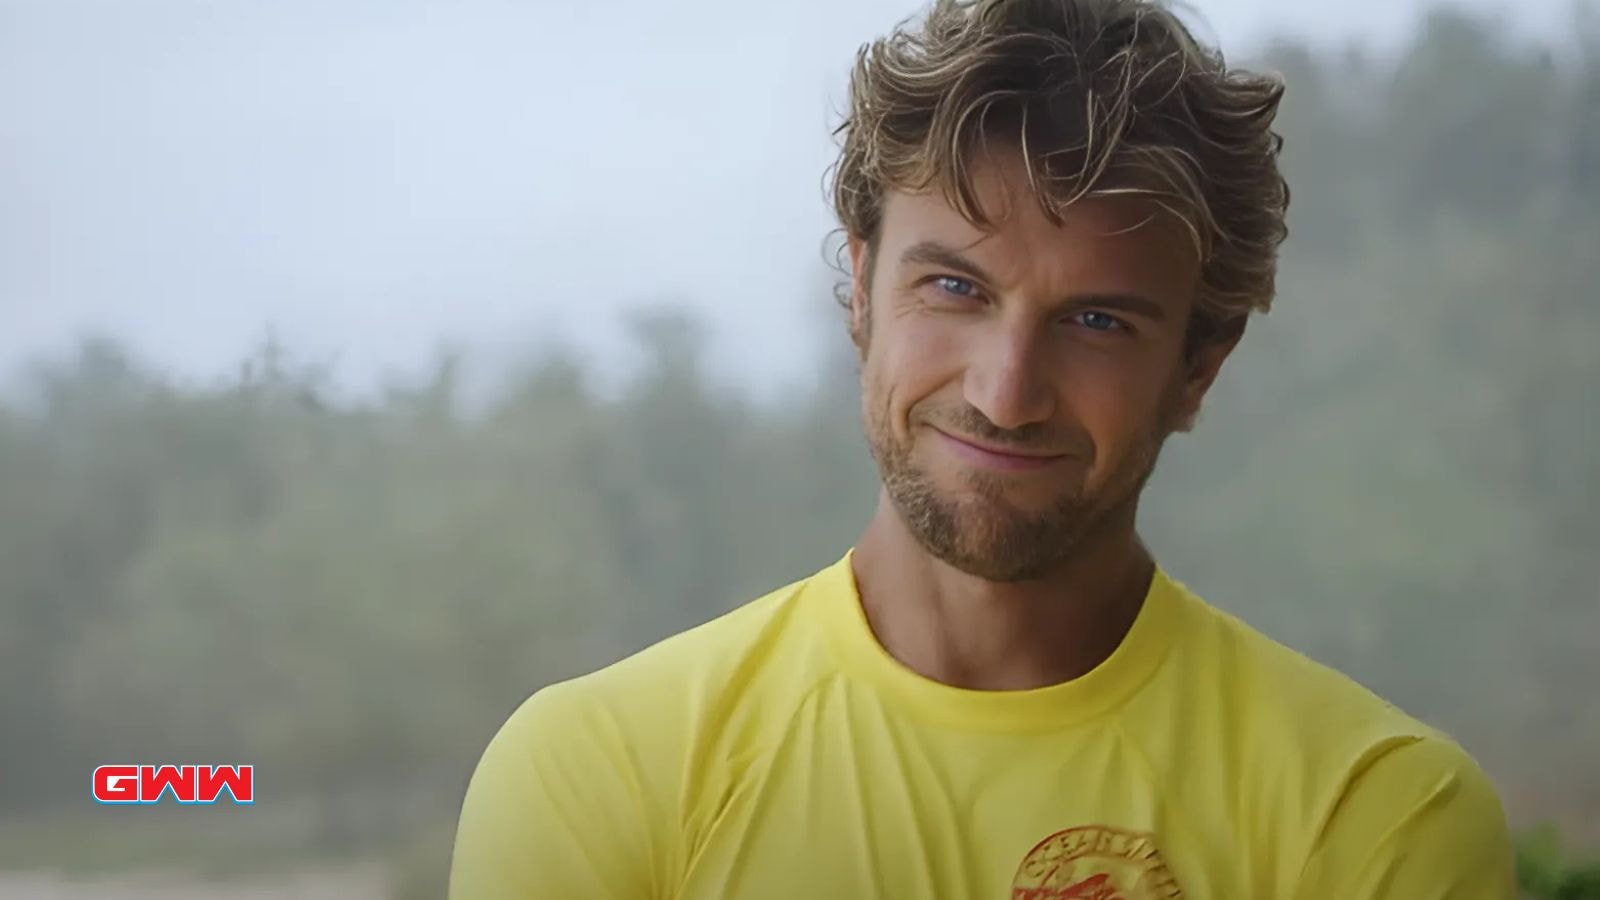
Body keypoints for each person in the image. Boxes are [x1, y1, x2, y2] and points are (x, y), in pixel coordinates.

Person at [449, 1, 1517, 897]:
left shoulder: (1370, 811)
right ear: (861, 289)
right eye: (955, 288)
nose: (1004, 396)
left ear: (1199, 366)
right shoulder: (604, 773)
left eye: (1098, 321)